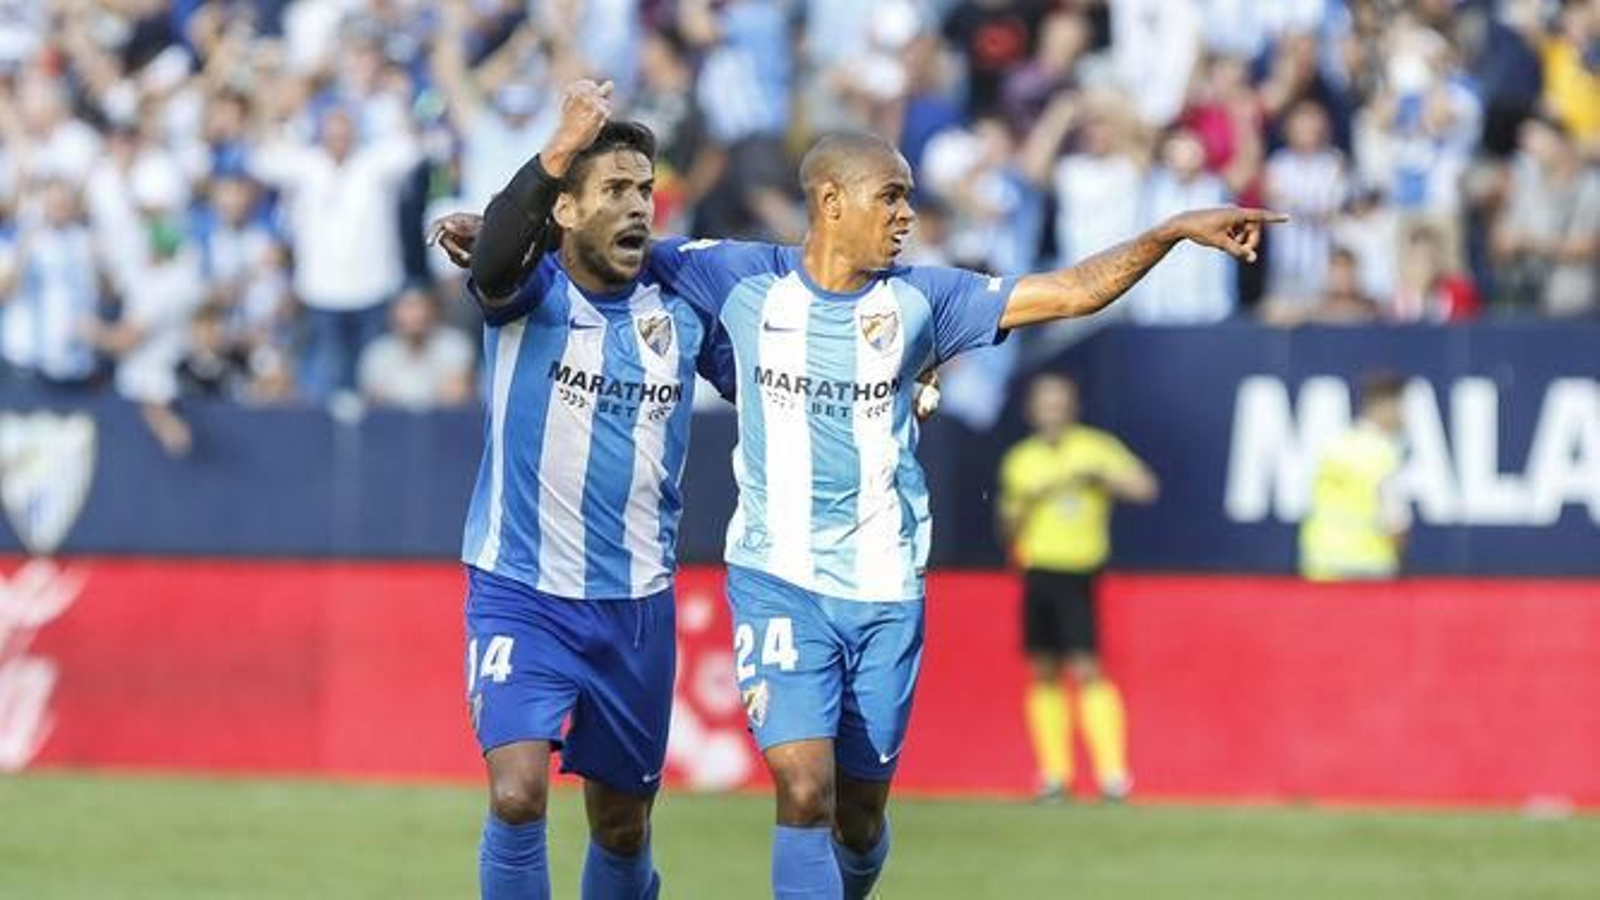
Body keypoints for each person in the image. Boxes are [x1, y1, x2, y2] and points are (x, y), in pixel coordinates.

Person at [643, 132, 1282, 898]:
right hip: (776, 575)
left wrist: (1168, 231)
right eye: (893, 196)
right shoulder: (740, 276)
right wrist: (515, 241)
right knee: (803, 787)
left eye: (910, 196)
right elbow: (619, 249)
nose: (909, 214)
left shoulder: (926, 299)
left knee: (858, 815)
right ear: (831, 202)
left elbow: (1071, 291)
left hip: (883, 586)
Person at [441, 81, 732, 900]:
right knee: (517, 792)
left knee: (622, 823)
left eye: (646, 189)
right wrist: (560, 144)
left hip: (634, 605)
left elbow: (769, 382)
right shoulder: (532, 294)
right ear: (565, 211)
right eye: (615, 190)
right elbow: (497, 255)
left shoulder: (681, 311)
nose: (639, 205)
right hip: (520, 592)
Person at [997, 373, 1158, 803]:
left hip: (1079, 571)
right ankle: (1054, 774)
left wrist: (1100, 477)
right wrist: (1029, 501)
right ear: (1032, 411)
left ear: (1073, 407)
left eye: (1060, 402)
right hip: (1037, 570)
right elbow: (1006, 525)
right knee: (1044, 669)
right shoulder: (1021, 460)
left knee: (1086, 668)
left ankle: (1112, 774)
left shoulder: (1094, 448)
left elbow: (1145, 487)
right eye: (1045, 403)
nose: (1053, 411)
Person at [1300, 371, 1411, 581]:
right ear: (1384, 405)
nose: (1404, 415)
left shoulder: (1334, 446)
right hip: (1367, 570)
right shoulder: (1384, 454)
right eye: (1400, 406)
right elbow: (1395, 522)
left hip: (1320, 566)